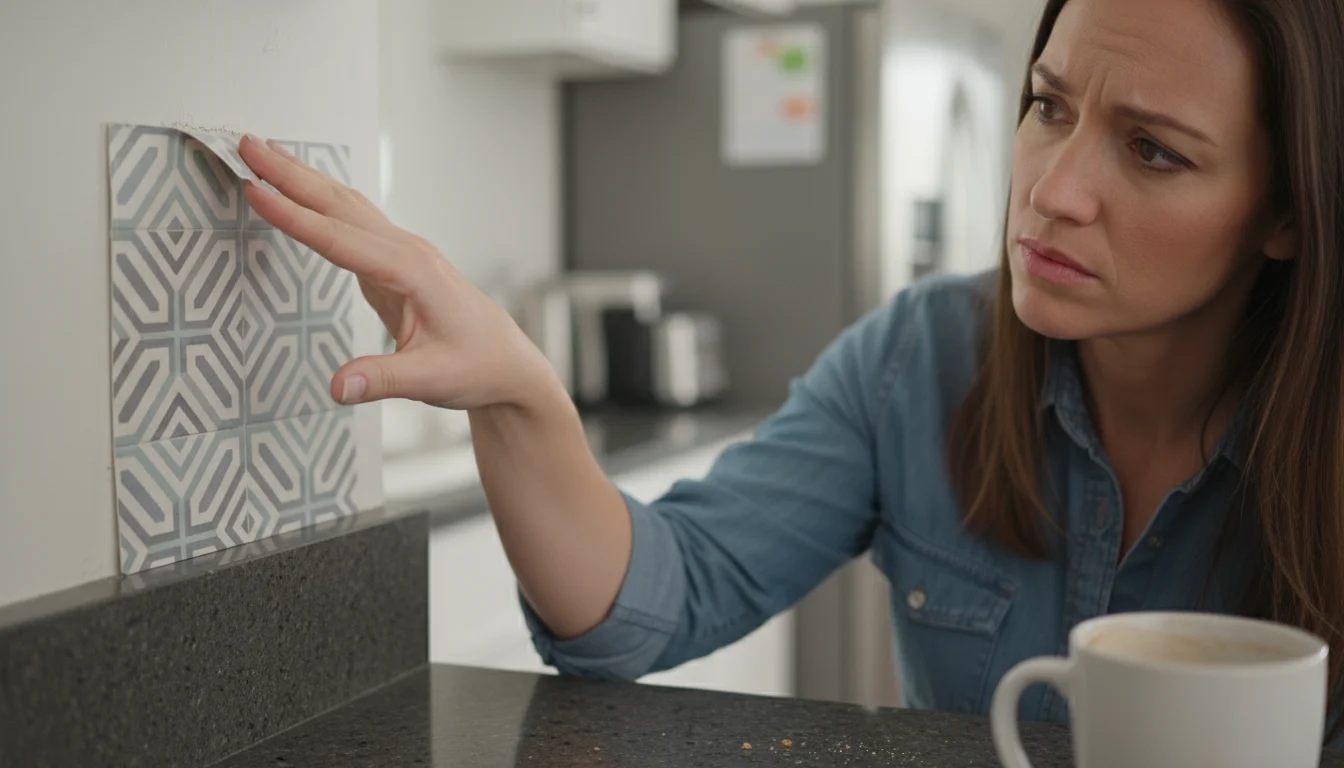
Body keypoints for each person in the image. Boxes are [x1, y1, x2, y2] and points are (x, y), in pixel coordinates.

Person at [236, 0, 1344, 738]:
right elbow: (644, 607)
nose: (1052, 188)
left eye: (1153, 150)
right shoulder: (920, 359)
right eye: (1049, 107)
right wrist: (521, 393)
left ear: (1288, 208)